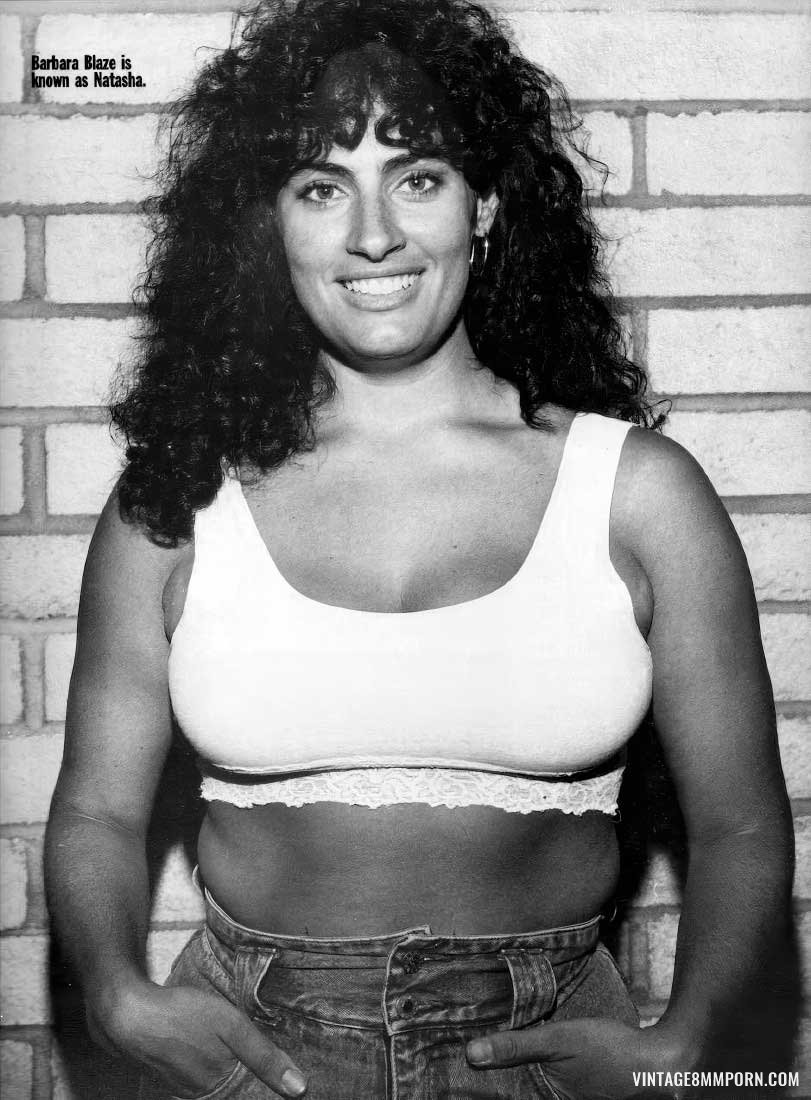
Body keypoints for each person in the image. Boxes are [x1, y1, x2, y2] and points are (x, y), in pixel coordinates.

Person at [44, 0, 794, 1097]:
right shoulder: (179, 501)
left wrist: (688, 1044)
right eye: (320, 187)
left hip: (548, 1051)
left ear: (484, 204)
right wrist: (115, 992)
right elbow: (97, 812)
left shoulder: (638, 494)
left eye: (418, 177)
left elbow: (739, 822)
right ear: (267, 225)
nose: (373, 235)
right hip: (248, 1055)